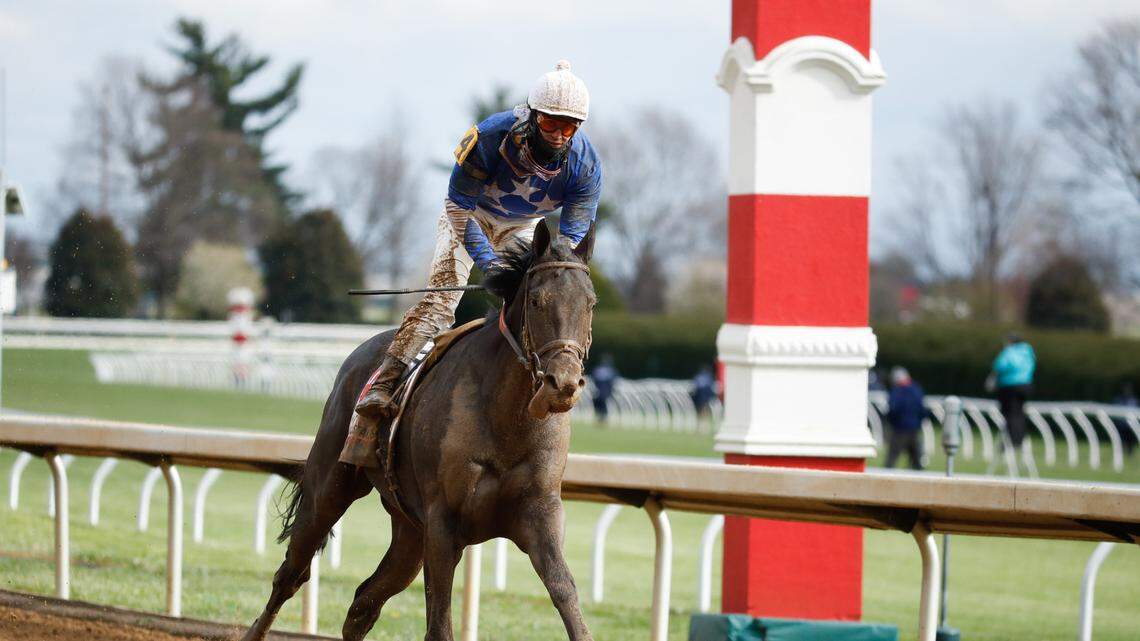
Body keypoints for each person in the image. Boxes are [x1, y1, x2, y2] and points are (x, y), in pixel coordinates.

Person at [340, 60, 602, 466]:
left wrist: (544, 276)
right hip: (469, 216)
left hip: (525, 227)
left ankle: (531, 388)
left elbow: (568, 243)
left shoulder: (585, 165)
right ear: (533, 116)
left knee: (539, 305)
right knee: (441, 305)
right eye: (551, 123)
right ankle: (384, 383)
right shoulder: (489, 137)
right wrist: (488, 263)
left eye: (570, 127)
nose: (559, 135)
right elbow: (458, 206)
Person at [990, 333, 1035, 457]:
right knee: (1019, 413)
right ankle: (1019, 438)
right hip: (1026, 385)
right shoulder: (1028, 352)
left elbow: (1000, 366)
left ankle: (1011, 441)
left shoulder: (1009, 351)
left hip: (1009, 386)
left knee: (1009, 413)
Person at [885, 366, 926, 470]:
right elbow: (922, 410)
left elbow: (893, 410)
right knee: (917, 462)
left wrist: (891, 422)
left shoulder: (897, 391)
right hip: (914, 429)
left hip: (899, 430)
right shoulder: (917, 389)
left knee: (891, 461)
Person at [589, 354, 619, 425]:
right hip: (604, 392)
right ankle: (602, 419)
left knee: (601, 406)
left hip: (600, 392)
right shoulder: (610, 370)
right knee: (602, 405)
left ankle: (602, 419)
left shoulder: (599, 370)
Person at [1112, 382, 1138, 457]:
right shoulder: (1118, 399)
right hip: (1121, 426)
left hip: (1131, 426)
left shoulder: (1134, 400)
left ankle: (1130, 455)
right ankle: (1121, 455)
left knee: (1130, 443)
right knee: (1121, 442)